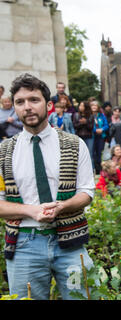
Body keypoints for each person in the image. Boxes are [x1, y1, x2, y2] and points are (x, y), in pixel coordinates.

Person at [0, 73, 94, 299]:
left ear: (49, 105)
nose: (27, 107)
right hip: (24, 244)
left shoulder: (74, 145)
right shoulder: (3, 152)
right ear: (14, 108)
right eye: (20, 102)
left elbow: (87, 192)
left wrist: (61, 207)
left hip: (70, 243)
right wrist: (30, 211)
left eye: (34, 100)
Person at [73, 101, 95, 167]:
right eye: (80, 106)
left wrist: (86, 122)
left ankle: (91, 169)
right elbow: (75, 126)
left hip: (89, 137)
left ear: (86, 107)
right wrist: (81, 123)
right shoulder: (76, 115)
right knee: (79, 154)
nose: (80, 107)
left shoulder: (91, 116)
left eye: (82, 106)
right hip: (79, 136)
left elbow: (91, 127)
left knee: (89, 153)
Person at [91, 100, 109, 174]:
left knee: (99, 153)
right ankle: (94, 168)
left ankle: (99, 170)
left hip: (101, 136)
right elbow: (88, 125)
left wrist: (102, 129)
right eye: (93, 105)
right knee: (93, 153)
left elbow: (106, 125)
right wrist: (95, 130)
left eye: (96, 105)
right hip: (92, 136)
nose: (94, 107)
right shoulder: (89, 115)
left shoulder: (101, 115)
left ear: (98, 107)